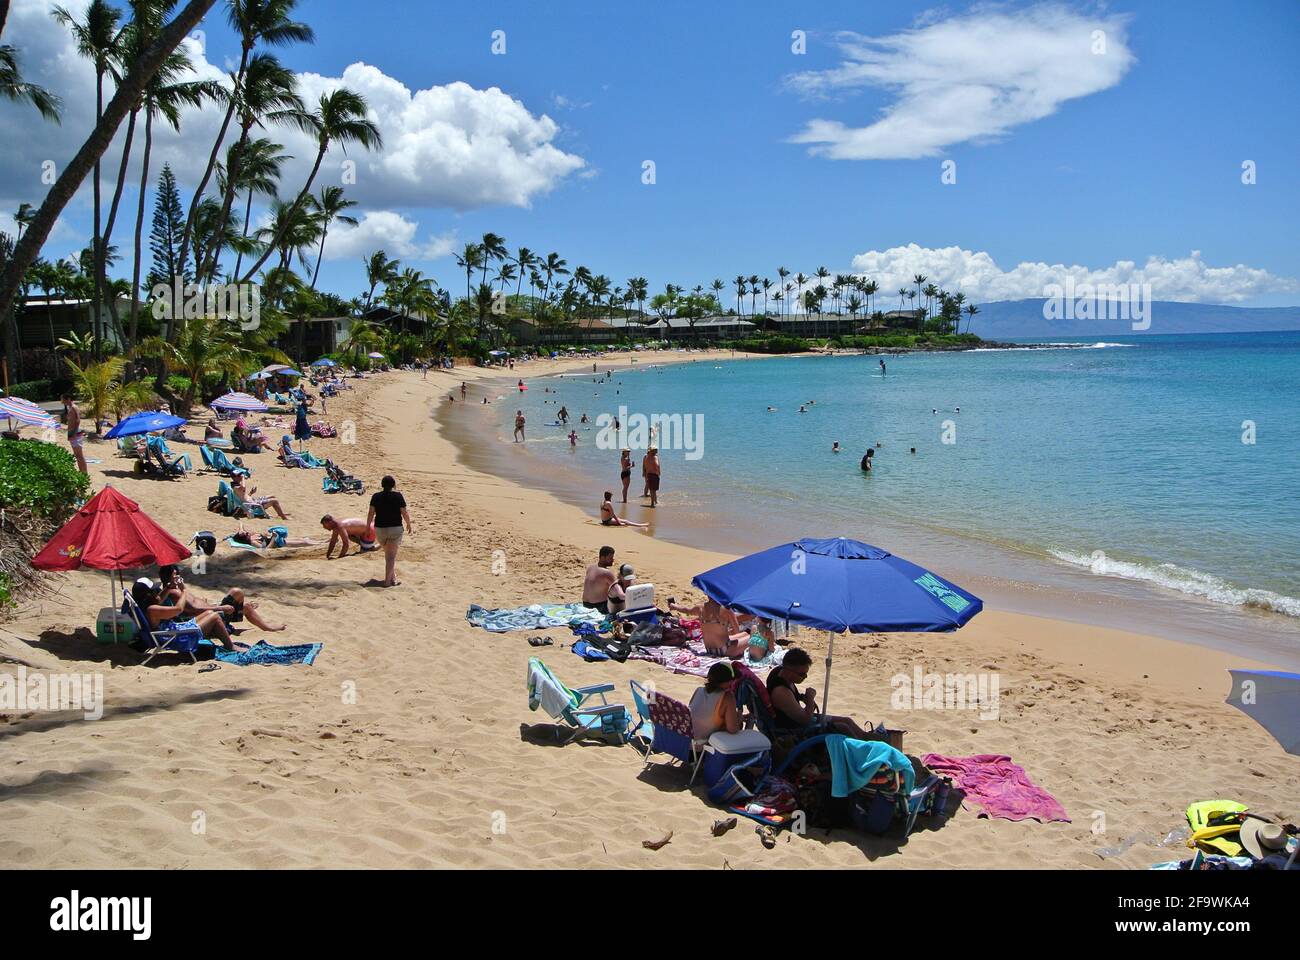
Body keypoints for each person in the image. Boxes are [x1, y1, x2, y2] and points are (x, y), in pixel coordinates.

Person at [766, 648, 877, 740]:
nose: (805, 677)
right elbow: (805, 719)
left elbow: (792, 704)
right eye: (802, 674)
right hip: (795, 732)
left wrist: (800, 697)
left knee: (847, 721)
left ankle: (868, 740)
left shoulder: (779, 672)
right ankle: (864, 750)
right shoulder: (781, 692)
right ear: (789, 670)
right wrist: (810, 699)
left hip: (799, 722)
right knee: (843, 727)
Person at [157, 564, 285, 632]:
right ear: (168, 577)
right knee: (239, 596)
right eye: (175, 576)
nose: (178, 577)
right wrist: (221, 607)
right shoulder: (174, 592)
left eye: (178, 575)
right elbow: (194, 608)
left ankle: (265, 626)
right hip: (208, 616)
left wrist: (212, 604)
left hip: (211, 609)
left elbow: (194, 604)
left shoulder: (177, 589)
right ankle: (267, 627)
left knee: (240, 598)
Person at [131, 577, 243, 652]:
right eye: (155, 591)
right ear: (149, 595)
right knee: (214, 617)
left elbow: (159, 599)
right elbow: (178, 609)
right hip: (178, 638)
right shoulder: (152, 609)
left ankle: (227, 641)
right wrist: (183, 590)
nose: (157, 592)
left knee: (209, 612)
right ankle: (230, 646)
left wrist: (169, 587)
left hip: (175, 632)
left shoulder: (146, 606)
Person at [367, 475, 412, 587]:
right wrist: (409, 524)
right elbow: (404, 512)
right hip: (395, 529)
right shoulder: (398, 496)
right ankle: (387, 582)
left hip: (380, 529)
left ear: (382, 485)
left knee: (388, 554)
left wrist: (368, 527)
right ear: (393, 485)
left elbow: (371, 513)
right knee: (391, 556)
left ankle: (393, 578)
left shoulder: (376, 496)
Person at [668, 598, 749, 658]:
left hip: (709, 649)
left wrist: (674, 606)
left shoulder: (700, 607)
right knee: (752, 636)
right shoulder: (726, 609)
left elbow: (686, 610)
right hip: (725, 650)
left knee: (744, 634)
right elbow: (736, 630)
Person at [689, 662, 744, 740]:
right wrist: (739, 718)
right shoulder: (727, 697)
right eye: (732, 680)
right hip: (704, 745)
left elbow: (702, 714)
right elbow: (733, 729)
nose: (732, 683)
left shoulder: (698, 690)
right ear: (726, 681)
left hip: (689, 741)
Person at [582, 546, 617, 614]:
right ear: (602, 558)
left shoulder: (590, 567)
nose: (612, 560)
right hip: (599, 606)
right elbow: (617, 590)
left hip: (585, 604)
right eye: (610, 558)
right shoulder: (607, 573)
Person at [62, 394, 87, 475]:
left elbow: (78, 420)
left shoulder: (74, 407)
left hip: (75, 433)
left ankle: (84, 473)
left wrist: (73, 433)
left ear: (68, 399)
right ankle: (82, 472)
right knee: (77, 456)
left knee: (79, 456)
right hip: (72, 432)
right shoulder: (70, 408)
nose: (62, 402)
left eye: (63, 400)